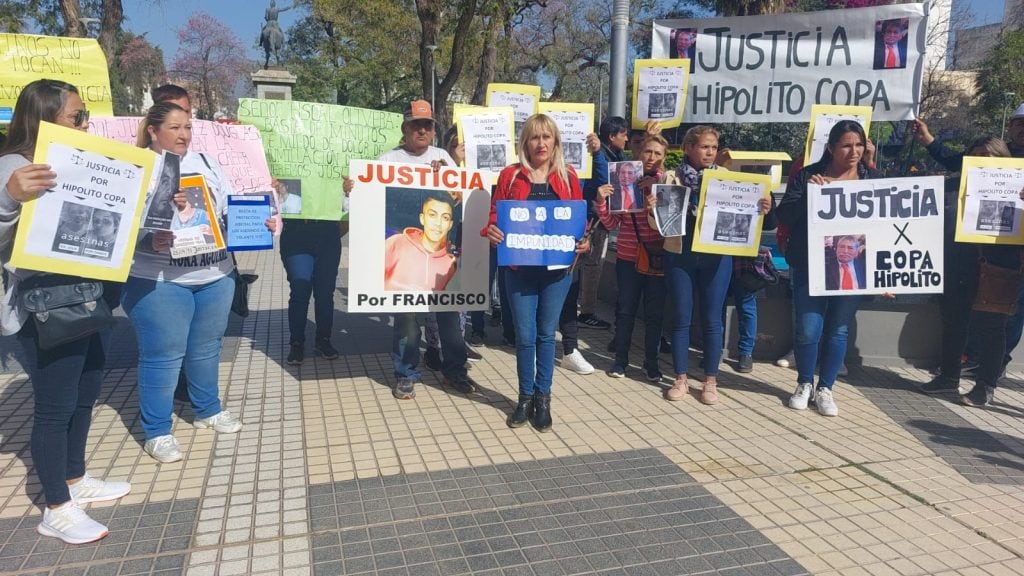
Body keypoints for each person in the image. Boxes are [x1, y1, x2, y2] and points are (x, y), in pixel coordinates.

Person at [0, 79, 130, 544]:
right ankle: (56, 506)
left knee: (85, 393)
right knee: (54, 409)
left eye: (85, 115)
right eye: (77, 116)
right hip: (42, 309)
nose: (85, 123)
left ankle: (75, 478)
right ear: (44, 117)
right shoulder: (13, 167)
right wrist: (8, 198)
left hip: (85, 298)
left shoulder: (77, 162)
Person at [124, 102, 250, 463]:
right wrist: (149, 240)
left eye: (188, 128)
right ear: (153, 130)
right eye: (175, 128)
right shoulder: (136, 168)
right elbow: (117, 226)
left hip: (215, 275)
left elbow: (227, 210)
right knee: (163, 357)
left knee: (207, 348)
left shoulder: (207, 163)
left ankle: (207, 409)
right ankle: (157, 431)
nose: (183, 135)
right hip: (159, 279)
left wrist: (261, 222)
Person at [361, 99, 476, 399]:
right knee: (407, 319)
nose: (422, 130)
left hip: (441, 259)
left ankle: (454, 371)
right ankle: (406, 373)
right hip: (407, 258)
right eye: (416, 125)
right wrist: (355, 190)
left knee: (450, 315)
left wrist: (448, 178)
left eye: (428, 125)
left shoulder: (443, 158)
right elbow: (369, 204)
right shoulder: (387, 161)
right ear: (405, 128)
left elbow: (461, 199)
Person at [486, 114, 588, 431]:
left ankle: (543, 398)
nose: (540, 143)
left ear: (555, 141)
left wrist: (582, 241)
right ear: (525, 142)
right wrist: (491, 230)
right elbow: (494, 215)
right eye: (534, 137)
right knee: (525, 337)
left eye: (546, 137)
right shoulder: (510, 176)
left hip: (557, 271)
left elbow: (577, 221)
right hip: (519, 268)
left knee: (546, 336)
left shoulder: (569, 176)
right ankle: (524, 398)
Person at [777, 120, 881, 417]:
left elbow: (884, 228)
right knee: (808, 329)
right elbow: (785, 214)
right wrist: (810, 194)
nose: (854, 151)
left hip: (853, 269)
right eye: (847, 145)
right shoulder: (809, 175)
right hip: (811, 265)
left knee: (838, 329)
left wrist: (884, 276)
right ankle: (804, 383)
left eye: (859, 145)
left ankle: (826, 388)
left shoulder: (872, 178)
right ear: (832, 147)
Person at [661, 126, 772, 405]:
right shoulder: (671, 177)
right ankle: (681, 378)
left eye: (713, 147)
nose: (710, 152)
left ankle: (710, 380)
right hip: (680, 252)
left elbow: (752, 218)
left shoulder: (726, 179)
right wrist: (655, 207)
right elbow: (659, 225)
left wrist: (762, 208)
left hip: (716, 256)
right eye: (704, 147)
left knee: (713, 319)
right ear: (688, 148)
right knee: (681, 317)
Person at [914, 119, 1019, 406]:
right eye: (977, 157)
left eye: (991, 158)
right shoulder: (950, 187)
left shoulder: (1018, 192)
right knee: (954, 322)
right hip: (957, 265)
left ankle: (985, 385)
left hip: (998, 267)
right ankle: (948, 377)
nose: (983, 163)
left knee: (992, 327)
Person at [600, 134, 671, 381]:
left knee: (655, 314)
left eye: (657, 153)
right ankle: (620, 361)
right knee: (625, 310)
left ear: (665, 157)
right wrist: (601, 201)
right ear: (639, 153)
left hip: (657, 258)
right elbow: (610, 223)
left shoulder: (669, 183)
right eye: (648, 152)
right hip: (628, 258)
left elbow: (671, 227)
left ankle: (651, 363)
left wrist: (655, 205)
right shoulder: (625, 178)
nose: (652, 157)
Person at [577, 117, 630, 330]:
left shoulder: (616, 155)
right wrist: (598, 152)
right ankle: (586, 313)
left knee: (591, 266)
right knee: (591, 266)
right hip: (594, 220)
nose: (626, 139)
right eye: (623, 134)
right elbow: (603, 177)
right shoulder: (599, 156)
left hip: (600, 218)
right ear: (611, 136)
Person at [383, 192, 458, 291]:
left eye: (445, 218)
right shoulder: (396, 243)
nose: (438, 223)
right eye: (432, 215)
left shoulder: (449, 266)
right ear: (422, 219)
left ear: (450, 225)